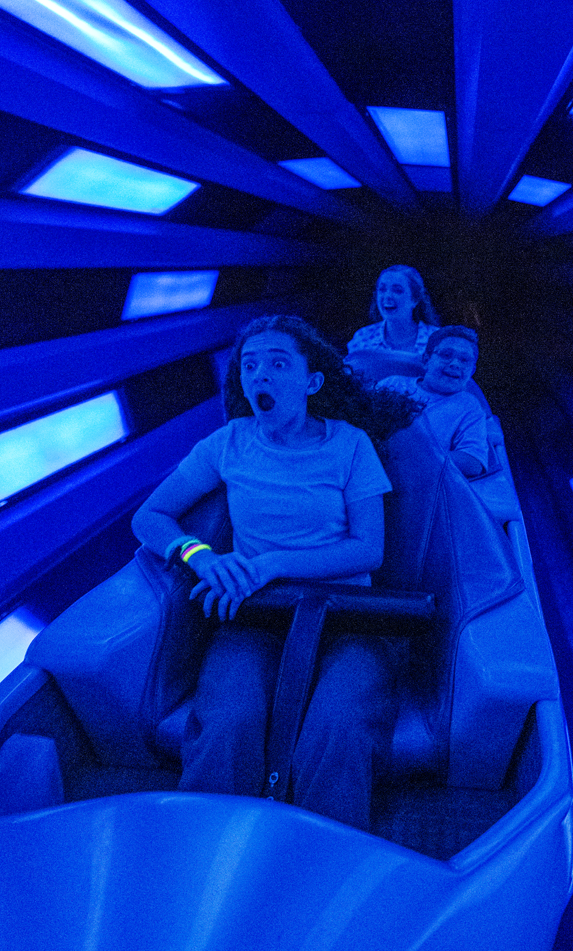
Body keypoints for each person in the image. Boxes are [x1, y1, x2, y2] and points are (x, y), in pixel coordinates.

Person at [131, 315, 411, 830]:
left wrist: (272, 564)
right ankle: (207, 853)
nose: (260, 374)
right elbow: (149, 516)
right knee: (229, 722)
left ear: (311, 382)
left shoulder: (349, 445)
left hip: (348, 616)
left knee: (339, 728)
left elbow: (368, 550)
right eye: (251, 365)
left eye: (278, 363)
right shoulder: (228, 444)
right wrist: (202, 557)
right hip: (256, 615)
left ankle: (321, 869)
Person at [378, 325, 488, 478]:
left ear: (472, 371)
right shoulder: (393, 385)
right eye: (446, 355)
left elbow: (473, 462)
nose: (455, 364)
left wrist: (415, 456)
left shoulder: (469, 406)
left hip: (422, 480)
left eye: (464, 360)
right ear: (426, 360)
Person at [346, 265, 441, 379]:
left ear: (414, 300)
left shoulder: (437, 339)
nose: (387, 296)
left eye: (397, 290)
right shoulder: (363, 337)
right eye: (382, 289)